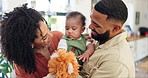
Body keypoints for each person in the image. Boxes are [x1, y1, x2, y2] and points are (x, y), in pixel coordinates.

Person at [0, 4, 64, 78]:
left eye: (48, 29)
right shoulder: (23, 64)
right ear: (29, 43)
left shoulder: (59, 37)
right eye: (44, 37)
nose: (51, 35)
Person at [80, 0, 135, 78]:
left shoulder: (115, 62)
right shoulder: (102, 38)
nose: (90, 27)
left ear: (116, 28)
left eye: (97, 25)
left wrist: (67, 70)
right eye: (91, 20)